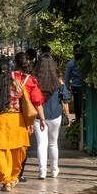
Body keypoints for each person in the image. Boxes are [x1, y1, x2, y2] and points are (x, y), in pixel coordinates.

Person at [0, 56, 37, 191]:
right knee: (17, 153)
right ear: (11, 69)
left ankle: (6, 181)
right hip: (17, 124)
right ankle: (12, 177)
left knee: (0, 153)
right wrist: (29, 123)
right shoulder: (18, 84)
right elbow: (26, 105)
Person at [32, 48, 69, 178]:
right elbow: (65, 99)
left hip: (38, 116)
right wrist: (68, 116)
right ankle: (54, 170)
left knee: (41, 143)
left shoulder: (34, 82)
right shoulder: (59, 82)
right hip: (55, 115)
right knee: (53, 143)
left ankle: (42, 170)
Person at [14, 50, 46, 181]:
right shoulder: (31, 80)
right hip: (24, 118)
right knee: (23, 146)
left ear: (15, 63)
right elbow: (37, 102)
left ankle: (10, 171)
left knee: (11, 145)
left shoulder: (10, 77)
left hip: (9, 115)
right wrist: (42, 119)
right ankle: (19, 173)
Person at [64, 45, 87, 151]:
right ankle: (79, 127)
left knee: (85, 108)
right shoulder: (71, 63)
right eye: (76, 51)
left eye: (79, 51)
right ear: (73, 52)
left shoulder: (85, 62)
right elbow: (67, 78)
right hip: (76, 88)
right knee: (78, 109)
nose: (77, 53)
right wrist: (66, 91)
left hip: (85, 87)